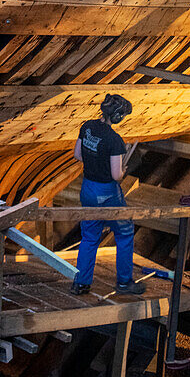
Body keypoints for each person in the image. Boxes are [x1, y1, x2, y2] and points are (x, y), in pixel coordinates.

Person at [70, 93, 145, 296]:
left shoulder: (87, 127)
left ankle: (81, 283)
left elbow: (77, 155)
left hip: (87, 189)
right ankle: (124, 283)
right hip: (107, 193)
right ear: (119, 116)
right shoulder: (115, 140)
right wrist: (125, 168)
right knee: (124, 232)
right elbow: (116, 175)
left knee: (89, 236)